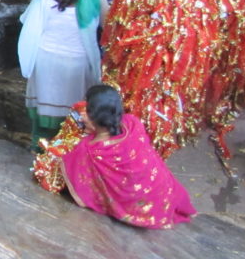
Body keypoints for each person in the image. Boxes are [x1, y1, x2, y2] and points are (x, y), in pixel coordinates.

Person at [60, 84, 197, 229]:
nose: (82, 117)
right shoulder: (133, 124)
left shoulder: (92, 151)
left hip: (140, 210)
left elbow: (79, 177)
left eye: (86, 112)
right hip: (165, 195)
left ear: (95, 118)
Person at [18, 0, 108, 151]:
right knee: (75, 113)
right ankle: (69, 154)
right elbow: (109, 26)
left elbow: (26, 20)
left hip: (45, 60)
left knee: (45, 108)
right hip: (78, 64)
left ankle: (41, 151)